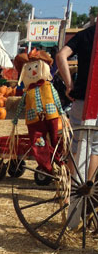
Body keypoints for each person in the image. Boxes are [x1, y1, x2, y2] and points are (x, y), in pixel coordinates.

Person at [55, 19, 98, 180]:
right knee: (95, 148)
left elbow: (60, 56)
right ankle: (88, 189)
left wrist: (69, 85)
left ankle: (72, 190)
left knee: (76, 143)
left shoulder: (85, 35)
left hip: (82, 99)